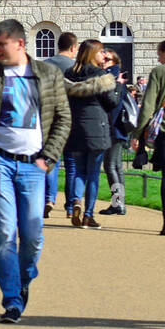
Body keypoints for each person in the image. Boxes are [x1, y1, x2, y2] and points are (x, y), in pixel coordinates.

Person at [0, 19, 71, 324]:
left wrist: (47, 158)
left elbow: (63, 118)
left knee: (32, 236)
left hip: (34, 165)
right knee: (6, 233)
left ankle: (24, 279)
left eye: (1, 45)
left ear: (20, 44)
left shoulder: (48, 74)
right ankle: (11, 300)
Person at [62, 39, 120, 229]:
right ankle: (88, 215)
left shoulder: (69, 74)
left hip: (75, 127)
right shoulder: (101, 75)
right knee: (93, 173)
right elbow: (111, 102)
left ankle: (76, 200)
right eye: (101, 52)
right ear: (92, 53)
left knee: (79, 170)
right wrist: (117, 86)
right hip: (97, 128)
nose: (103, 55)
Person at [132, 38, 165, 235]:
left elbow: (148, 106)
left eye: (159, 53)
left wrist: (139, 133)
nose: (158, 56)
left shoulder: (159, 72)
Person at [42, 32, 79, 217]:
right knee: (72, 165)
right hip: (71, 119)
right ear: (73, 48)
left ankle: (49, 199)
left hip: (50, 118)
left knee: (51, 161)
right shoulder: (76, 67)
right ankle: (71, 206)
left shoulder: (45, 65)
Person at [100, 50, 132, 216]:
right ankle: (120, 203)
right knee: (117, 167)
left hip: (112, 127)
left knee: (110, 166)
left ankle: (117, 203)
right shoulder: (115, 75)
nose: (103, 60)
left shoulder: (110, 75)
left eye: (107, 58)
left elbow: (112, 102)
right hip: (118, 127)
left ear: (114, 61)